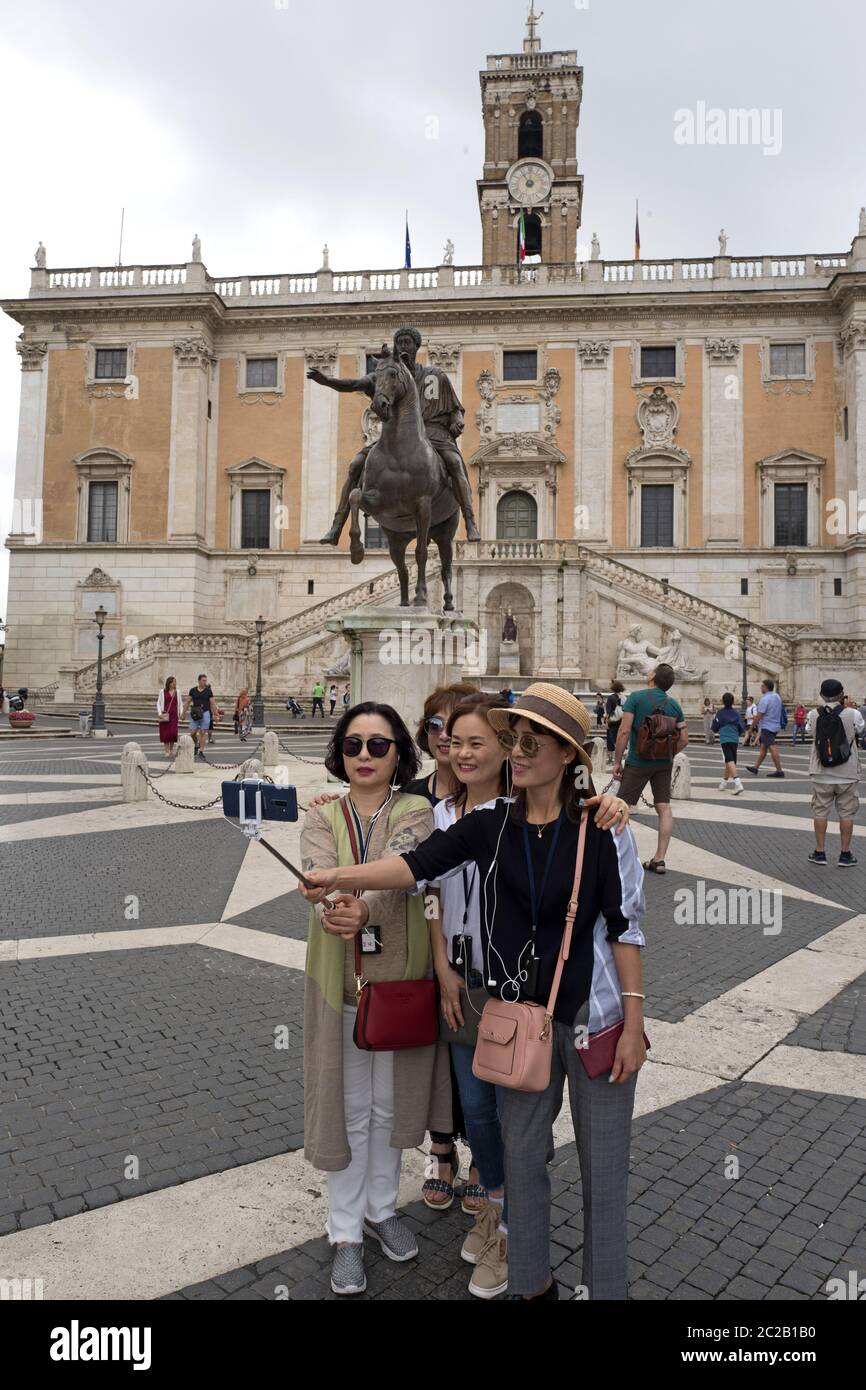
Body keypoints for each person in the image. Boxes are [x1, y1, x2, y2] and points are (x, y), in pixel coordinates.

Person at [301, 684, 642, 1301]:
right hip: (516, 1019)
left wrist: (636, 1021)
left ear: (568, 753)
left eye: (528, 740)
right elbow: (416, 867)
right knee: (519, 1160)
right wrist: (335, 875)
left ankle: (607, 1289)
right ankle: (531, 1284)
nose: (516, 749)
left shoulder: (601, 824)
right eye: (511, 737)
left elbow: (626, 928)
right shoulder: (487, 824)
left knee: (603, 1172)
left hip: (596, 1019)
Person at [299, 702, 452, 1296]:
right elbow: (316, 869)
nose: (365, 755)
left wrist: (363, 904)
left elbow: (409, 869)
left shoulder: (416, 810)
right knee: (347, 1109)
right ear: (339, 753)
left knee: (389, 1110)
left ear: (398, 755)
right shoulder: (321, 814)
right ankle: (345, 1233)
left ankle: (382, 1208)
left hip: (400, 983)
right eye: (354, 744)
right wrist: (332, 905)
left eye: (379, 745)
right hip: (337, 982)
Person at [428, 693, 511, 1298]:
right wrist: (441, 965)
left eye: (476, 741)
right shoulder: (441, 816)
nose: (462, 752)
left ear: (507, 748)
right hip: (459, 981)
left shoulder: (530, 809)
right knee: (476, 1108)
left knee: (516, 1115)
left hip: (513, 988)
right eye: (454, 741)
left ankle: (509, 1232)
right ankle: (491, 1210)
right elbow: (428, 890)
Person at [404, 679, 481, 1210]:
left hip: (484, 952)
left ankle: (482, 1152)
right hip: (427, 944)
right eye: (436, 726)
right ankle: (441, 1149)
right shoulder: (415, 798)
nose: (446, 739)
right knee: (435, 1053)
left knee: (479, 1050)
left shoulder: (503, 795)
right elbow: (424, 887)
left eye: (457, 729)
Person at [613, 664, 688, 875]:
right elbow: (684, 739)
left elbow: (624, 731)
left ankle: (617, 855)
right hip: (663, 763)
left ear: (653, 677)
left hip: (638, 761)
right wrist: (669, 753)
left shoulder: (636, 698)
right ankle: (659, 859)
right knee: (664, 807)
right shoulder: (674, 705)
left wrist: (617, 762)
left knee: (621, 806)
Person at [806, 679, 864, 868]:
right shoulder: (853, 714)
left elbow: (809, 732)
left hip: (821, 770)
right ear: (842, 695)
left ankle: (820, 852)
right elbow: (860, 730)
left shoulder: (813, 714)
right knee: (846, 814)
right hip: (847, 771)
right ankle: (845, 854)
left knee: (820, 811)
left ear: (821, 695)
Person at [745, 679, 785, 778]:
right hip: (775, 725)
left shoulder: (765, 699)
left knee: (771, 746)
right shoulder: (777, 697)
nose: (761, 688)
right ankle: (756, 767)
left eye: (762, 686)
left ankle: (779, 770)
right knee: (763, 747)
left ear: (766, 687)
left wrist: (751, 728)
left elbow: (758, 716)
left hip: (768, 726)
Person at [712, 693, 746, 795]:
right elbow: (741, 727)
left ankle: (738, 783)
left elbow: (714, 727)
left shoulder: (720, 713)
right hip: (735, 738)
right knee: (730, 760)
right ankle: (724, 783)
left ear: (723, 701)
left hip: (725, 738)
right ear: (733, 702)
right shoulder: (736, 713)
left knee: (729, 759)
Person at [188, 674, 217, 759]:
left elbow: (213, 703)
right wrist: (183, 713)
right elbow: (188, 702)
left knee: (202, 732)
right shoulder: (192, 690)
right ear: (199, 681)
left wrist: (215, 714)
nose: (205, 682)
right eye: (203, 680)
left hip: (205, 713)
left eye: (205, 680)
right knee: (192, 733)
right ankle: (196, 745)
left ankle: (201, 751)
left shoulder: (208, 691)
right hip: (195, 713)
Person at [157, 676, 182, 759]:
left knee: (173, 733)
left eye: (175, 682)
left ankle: (171, 750)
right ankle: (166, 751)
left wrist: (181, 713)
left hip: (174, 715)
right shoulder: (162, 691)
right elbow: (158, 703)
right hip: (165, 715)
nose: (175, 683)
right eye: (173, 682)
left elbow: (180, 703)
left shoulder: (177, 692)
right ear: (169, 683)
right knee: (166, 733)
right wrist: (160, 713)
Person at [605, 681, 625, 761]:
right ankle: (620, 756)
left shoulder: (611, 698)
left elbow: (608, 711)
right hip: (621, 721)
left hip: (612, 721)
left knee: (611, 739)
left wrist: (606, 722)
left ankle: (612, 758)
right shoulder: (624, 697)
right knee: (619, 738)